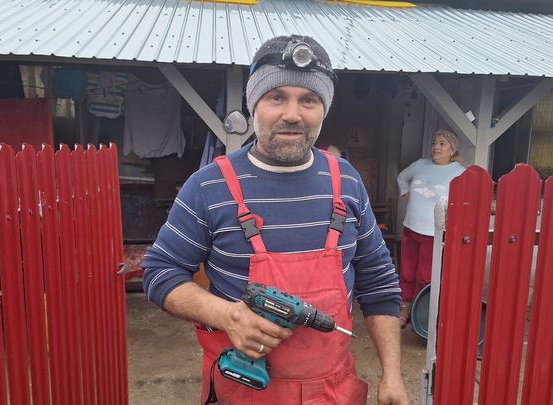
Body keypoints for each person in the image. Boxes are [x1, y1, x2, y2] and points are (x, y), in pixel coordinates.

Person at [143, 35, 408, 405]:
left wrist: (392, 376)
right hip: (244, 389)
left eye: (309, 100)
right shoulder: (207, 186)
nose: (293, 114)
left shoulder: (347, 181)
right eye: (277, 96)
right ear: (255, 105)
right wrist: (228, 316)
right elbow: (159, 272)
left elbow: (379, 282)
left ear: (323, 109)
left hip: (331, 392)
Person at [396, 129, 465, 326]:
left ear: (452, 149)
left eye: (442, 144)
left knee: (425, 276)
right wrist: (406, 194)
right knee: (407, 272)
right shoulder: (420, 165)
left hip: (433, 234)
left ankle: (420, 314)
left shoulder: (459, 172)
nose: (436, 147)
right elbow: (401, 177)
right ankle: (404, 309)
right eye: (435, 143)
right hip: (410, 228)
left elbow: (466, 199)